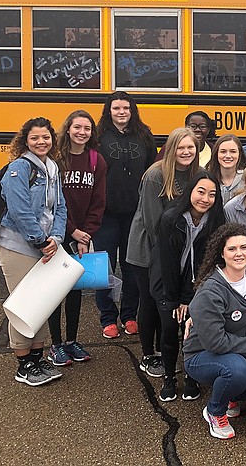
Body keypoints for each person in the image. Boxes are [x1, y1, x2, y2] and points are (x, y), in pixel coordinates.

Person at [183, 223, 246, 439]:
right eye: (232, 249)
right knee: (238, 371)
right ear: (221, 252)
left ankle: (231, 394)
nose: (239, 253)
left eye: (244, 247)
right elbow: (215, 342)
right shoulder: (210, 290)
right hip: (204, 354)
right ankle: (215, 411)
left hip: (242, 351)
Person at [127, 127, 203, 378]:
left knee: (169, 302)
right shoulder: (155, 175)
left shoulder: (198, 175)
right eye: (180, 147)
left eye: (190, 147)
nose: (186, 152)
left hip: (178, 249)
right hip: (148, 249)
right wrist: (170, 256)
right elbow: (152, 223)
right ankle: (149, 355)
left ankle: (166, 351)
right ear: (170, 149)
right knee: (150, 301)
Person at [0, 117, 68, 386]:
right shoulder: (18, 168)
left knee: (41, 303)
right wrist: (40, 240)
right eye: (35, 138)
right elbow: (19, 210)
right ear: (25, 141)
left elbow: (59, 207)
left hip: (45, 245)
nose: (41, 142)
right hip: (18, 245)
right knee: (23, 304)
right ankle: (24, 365)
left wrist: (57, 238)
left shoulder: (52, 168)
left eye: (46, 137)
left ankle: (37, 359)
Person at [151, 172, 226, 402]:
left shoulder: (216, 221)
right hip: (166, 283)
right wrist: (176, 300)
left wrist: (189, 297)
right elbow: (168, 263)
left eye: (212, 194)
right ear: (191, 192)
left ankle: (192, 376)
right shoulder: (170, 218)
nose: (205, 199)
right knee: (170, 329)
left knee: (193, 331)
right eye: (200, 192)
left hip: (196, 284)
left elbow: (207, 261)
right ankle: (169, 377)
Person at [94, 91, 156, 339]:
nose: (121, 112)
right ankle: (108, 318)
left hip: (135, 215)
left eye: (126, 108)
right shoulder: (98, 137)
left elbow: (152, 169)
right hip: (106, 215)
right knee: (104, 268)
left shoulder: (144, 136)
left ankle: (130, 315)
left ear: (133, 111)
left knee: (132, 267)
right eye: (117, 108)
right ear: (109, 111)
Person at [47, 110, 107, 367]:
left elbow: (98, 200)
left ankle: (71, 340)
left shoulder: (96, 161)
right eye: (77, 127)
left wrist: (86, 234)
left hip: (80, 234)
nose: (82, 132)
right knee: (53, 291)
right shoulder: (56, 159)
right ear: (68, 129)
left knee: (74, 289)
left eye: (87, 128)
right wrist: (71, 230)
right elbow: (52, 202)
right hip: (55, 233)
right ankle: (55, 344)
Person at [207, 134, 246, 202]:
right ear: (216, 154)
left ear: (239, 154)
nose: (228, 156)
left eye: (233, 151)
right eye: (223, 151)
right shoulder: (207, 178)